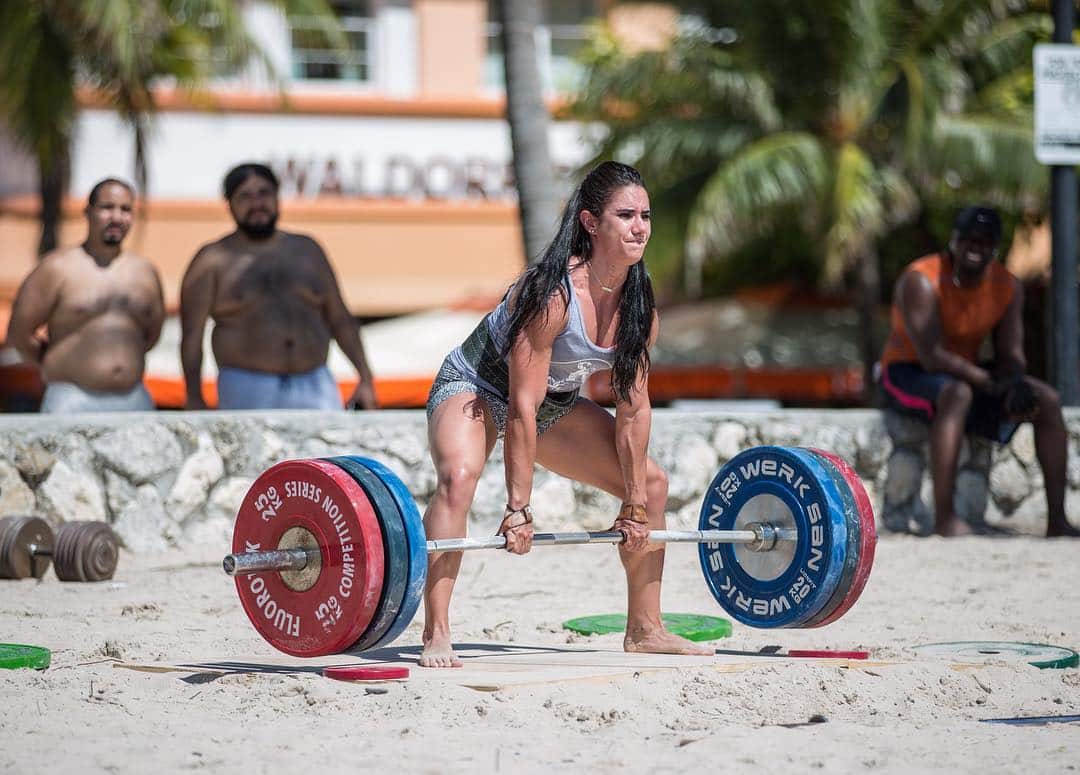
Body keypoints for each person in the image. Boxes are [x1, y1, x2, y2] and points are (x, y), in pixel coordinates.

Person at [420, 161, 714, 668]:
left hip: (550, 404)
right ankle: (436, 630)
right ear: (590, 223)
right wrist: (518, 507)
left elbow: (633, 412)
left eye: (645, 215)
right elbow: (520, 406)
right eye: (625, 215)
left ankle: (644, 629)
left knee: (653, 484)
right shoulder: (553, 295)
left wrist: (637, 505)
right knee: (459, 479)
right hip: (476, 384)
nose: (640, 226)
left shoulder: (640, 309)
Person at [879, 205, 1079, 538]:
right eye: (969, 239)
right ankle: (945, 519)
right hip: (906, 371)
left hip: (966, 373)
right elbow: (931, 357)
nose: (976, 248)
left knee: (1047, 399)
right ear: (954, 242)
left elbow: (1010, 353)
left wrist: (1014, 383)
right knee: (958, 394)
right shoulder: (922, 279)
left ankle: (1057, 520)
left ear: (995, 247)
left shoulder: (1007, 287)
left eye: (985, 241)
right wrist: (988, 382)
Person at [179, 163, 377, 410]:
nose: (257, 204)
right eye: (245, 196)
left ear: (277, 197)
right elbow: (191, 336)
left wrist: (366, 377)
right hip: (246, 385)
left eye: (264, 193)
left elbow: (340, 318)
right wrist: (194, 397)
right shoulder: (212, 261)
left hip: (316, 382)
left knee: (332, 450)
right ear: (229, 204)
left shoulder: (308, 250)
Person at [5, 178, 164, 413]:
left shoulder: (145, 272)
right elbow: (20, 333)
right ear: (88, 212)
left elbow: (151, 335)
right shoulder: (57, 268)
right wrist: (57, 364)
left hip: (133, 397)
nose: (117, 217)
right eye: (107, 207)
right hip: (71, 398)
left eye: (126, 209)